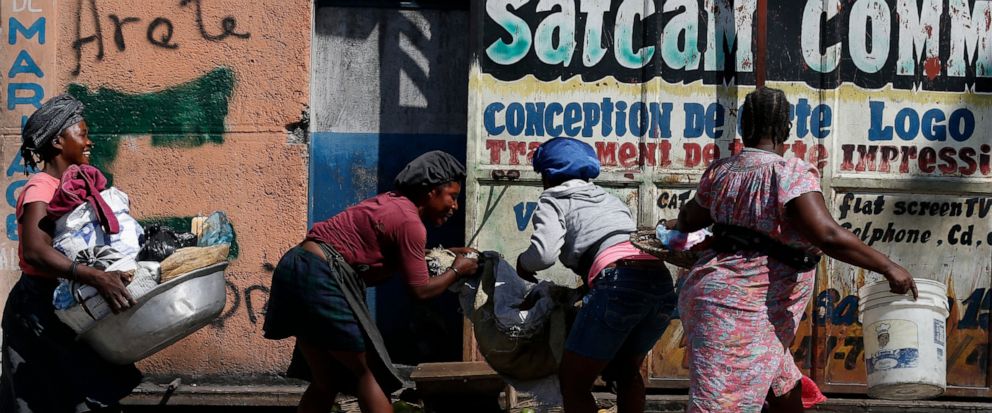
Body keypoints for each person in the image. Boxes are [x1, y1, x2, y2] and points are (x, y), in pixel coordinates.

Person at [672, 87, 917, 413]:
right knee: (721, 405)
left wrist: (674, 227)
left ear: (743, 126)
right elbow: (827, 235)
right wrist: (888, 266)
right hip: (741, 311)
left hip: (715, 296)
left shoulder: (722, 172)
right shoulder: (788, 173)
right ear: (786, 128)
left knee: (781, 387)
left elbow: (689, 217)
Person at [263, 151, 480, 413]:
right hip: (321, 274)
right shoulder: (410, 223)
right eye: (453, 197)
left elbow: (404, 255)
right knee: (370, 372)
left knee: (326, 379)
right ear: (431, 191)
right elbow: (420, 290)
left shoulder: (392, 204)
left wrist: (447, 254)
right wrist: (458, 270)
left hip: (298, 266)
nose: (455, 206)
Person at [0, 95, 141, 413]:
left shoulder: (76, 187)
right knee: (41, 399)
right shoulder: (42, 189)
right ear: (59, 141)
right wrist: (94, 276)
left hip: (67, 308)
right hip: (37, 313)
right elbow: (36, 252)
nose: (89, 141)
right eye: (83, 133)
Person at [515, 137, 675, 413]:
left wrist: (523, 264)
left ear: (546, 175)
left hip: (618, 283)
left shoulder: (553, 199)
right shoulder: (607, 198)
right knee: (626, 371)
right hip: (660, 283)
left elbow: (544, 254)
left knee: (574, 382)